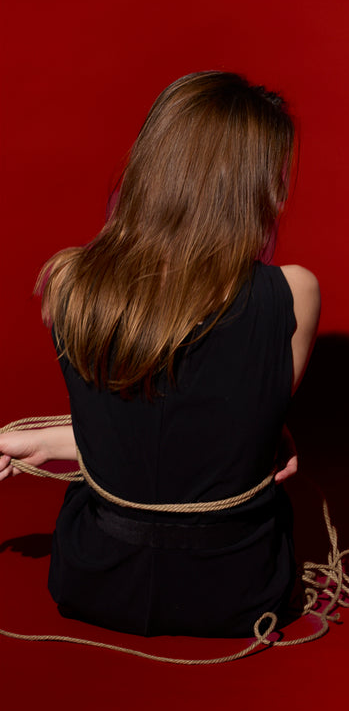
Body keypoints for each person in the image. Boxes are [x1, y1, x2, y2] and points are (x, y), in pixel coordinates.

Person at [0, 72, 320, 639]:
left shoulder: (70, 282)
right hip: (238, 592)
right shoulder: (293, 292)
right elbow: (215, 431)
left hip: (94, 580)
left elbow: (152, 426)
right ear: (253, 187)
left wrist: (45, 443)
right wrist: (274, 431)